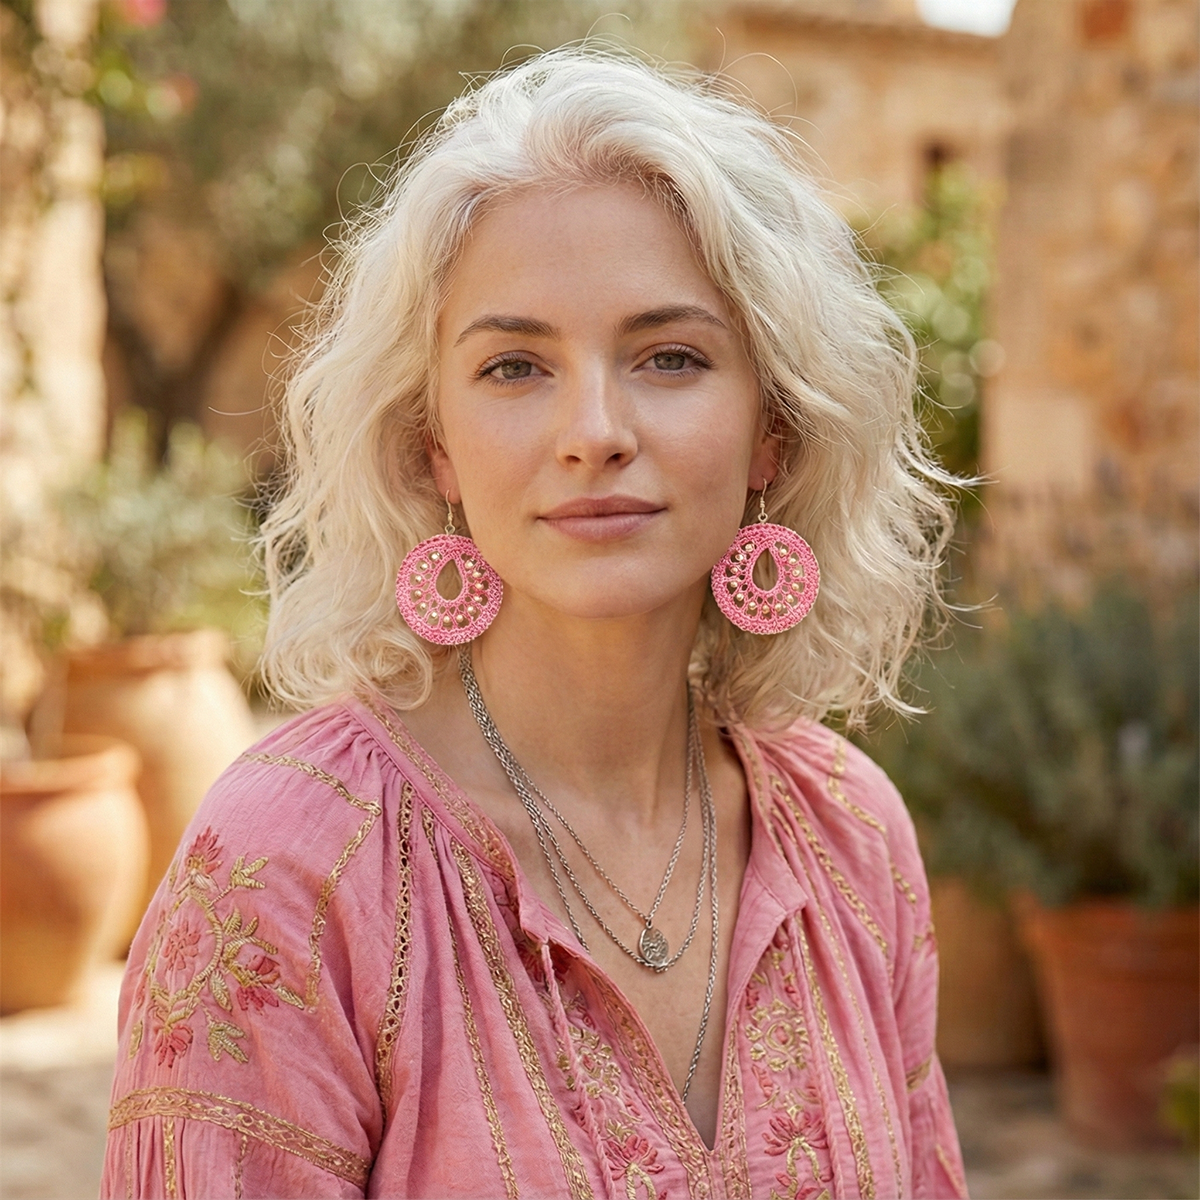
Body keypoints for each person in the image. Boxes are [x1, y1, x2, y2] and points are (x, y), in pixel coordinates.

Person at [102, 47, 968, 1200]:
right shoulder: (289, 871)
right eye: (515, 365)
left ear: (776, 432)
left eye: (670, 356)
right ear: (434, 447)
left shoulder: (852, 836)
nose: (594, 429)